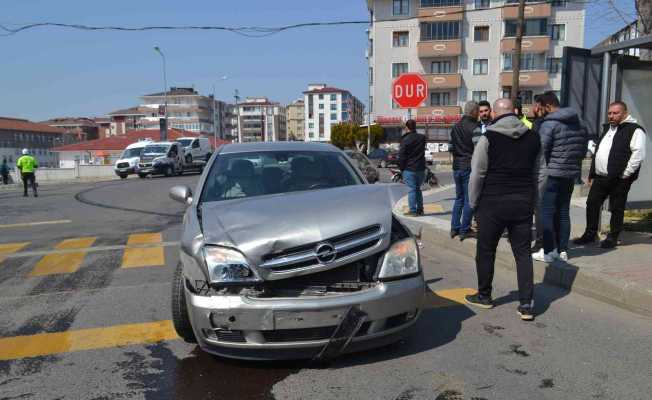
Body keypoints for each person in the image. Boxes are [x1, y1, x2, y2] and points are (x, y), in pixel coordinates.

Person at [465, 99, 542, 321]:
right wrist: (534, 202)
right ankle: (526, 304)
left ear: (496, 114)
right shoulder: (534, 137)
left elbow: (477, 173)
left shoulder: (488, 137)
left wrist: (473, 203)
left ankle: (484, 295)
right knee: (523, 253)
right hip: (523, 202)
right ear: (515, 113)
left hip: (492, 203)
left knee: (486, 250)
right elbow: (538, 173)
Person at [574, 101, 646, 249]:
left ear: (625, 113)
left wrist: (626, 173)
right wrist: (592, 173)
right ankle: (590, 234)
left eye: (615, 113)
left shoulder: (635, 130)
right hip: (601, 176)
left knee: (616, 208)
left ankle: (613, 237)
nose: (611, 116)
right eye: (610, 113)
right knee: (592, 203)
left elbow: (638, 154)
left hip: (620, 178)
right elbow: (599, 151)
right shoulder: (607, 129)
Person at [532, 92, 588, 263]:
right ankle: (563, 249)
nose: (540, 111)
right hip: (570, 174)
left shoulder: (550, 124)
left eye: (541, 108)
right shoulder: (580, 123)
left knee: (546, 212)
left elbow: (541, 151)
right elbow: (582, 151)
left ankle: (549, 251)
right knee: (564, 211)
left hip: (552, 174)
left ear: (548, 106)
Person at [449, 101, 479, 240]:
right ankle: (465, 229)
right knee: (469, 199)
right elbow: (479, 149)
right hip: (469, 165)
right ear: (473, 112)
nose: (479, 114)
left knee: (459, 198)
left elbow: (450, 147)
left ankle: (454, 228)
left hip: (456, 166)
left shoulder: (455, 127)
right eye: (477, 111)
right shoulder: (475, 127)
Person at [399, 119, 426, 216]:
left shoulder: (405, 139)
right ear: (415, 127)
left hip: (409, 168)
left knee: (412, 189)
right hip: (421, 168)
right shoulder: (422, 138)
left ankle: (413, 210)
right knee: (417, 189)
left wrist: (402, 168)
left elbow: (401, 156)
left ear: (407, 128)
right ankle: (420, 209)